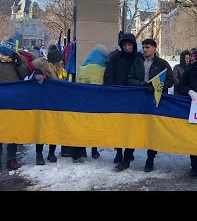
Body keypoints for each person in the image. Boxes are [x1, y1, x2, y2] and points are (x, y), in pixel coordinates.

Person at [121, 38, 174, 172]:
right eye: (143, 47)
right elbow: (130, 78)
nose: (145, 50)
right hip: (138, 99)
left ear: (155, 48)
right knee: (133, 129)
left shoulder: (162, 64)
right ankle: (126, 159)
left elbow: (170, 80)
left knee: (152, 131)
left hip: (154, 100)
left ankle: (150, 160)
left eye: (148, 47)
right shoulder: (137, 62)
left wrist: (157, 87)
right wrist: (142, 85)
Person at [104, 33, 144, 165]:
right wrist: (111, 91)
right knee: (119, 127)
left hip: (134, 97)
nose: (128, 47)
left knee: (131, 127)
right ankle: (119, 151)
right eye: (125, 44)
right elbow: (108, 76)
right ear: (122, 46)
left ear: (133, 45)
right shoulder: (115, 58)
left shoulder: (138, 59)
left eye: (130, 44)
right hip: (118, 96)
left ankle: (129, 152)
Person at [73, 44, 109, 161]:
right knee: (95, 126)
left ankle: (81, 151)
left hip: (83, 101)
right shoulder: (104, 66)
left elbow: (78, 83)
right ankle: (94, 151)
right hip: (98, 102)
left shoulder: (83, 66)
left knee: (83, 126)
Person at [33, 44, 67, 165]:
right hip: (44, 104)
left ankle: (51, 153)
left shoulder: (61, 72)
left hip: (56, 104)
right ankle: (39, 155)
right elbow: (36, 75)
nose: (62, 62)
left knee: (54, 129)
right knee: (41, 130)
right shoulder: (45, 69)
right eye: (60, 61)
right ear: (56, 61)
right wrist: (38, 77)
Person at [0, 40, 30, 171]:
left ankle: (11, 160)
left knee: (12, 130)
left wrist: (19, 64)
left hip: (14, 101)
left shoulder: (19, 59)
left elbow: (26, 75)